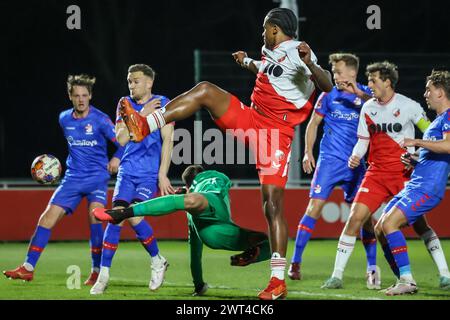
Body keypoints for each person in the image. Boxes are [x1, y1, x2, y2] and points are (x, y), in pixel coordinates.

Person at [125, 8, 333, 300]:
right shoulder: (269, 50)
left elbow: (327, 85)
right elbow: (265, 69)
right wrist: (246, 61)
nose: (262, 32)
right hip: (251, 119)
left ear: (275, 29)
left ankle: (277, 280)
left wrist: (310, 61)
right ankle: (145, 125)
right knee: (206, 90)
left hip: (274, 135)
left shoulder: (300, 54)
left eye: (265, 28)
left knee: (271, 205)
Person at [322, 61, 446, 289]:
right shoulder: (368, 108)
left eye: (373, 80)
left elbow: (430, 133)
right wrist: (355, 156)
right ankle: (337, 275)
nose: (369, 85)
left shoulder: (409, 106)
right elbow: (363, 141)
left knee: (419, 226)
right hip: (376, 174)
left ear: (387, 82)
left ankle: (444, 273)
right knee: (355, 218)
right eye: (368, 81)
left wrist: (416, 154)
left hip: (404, 174)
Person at [3, 74, 123, 284]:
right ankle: (27, 268)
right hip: (72, 179)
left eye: (85, 95)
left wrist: (116, 157)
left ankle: (96, 271)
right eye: (76, 95)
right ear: (70, 96)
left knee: (95, 221)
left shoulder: (101, 120)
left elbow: (123, 142)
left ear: (90, 95)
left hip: (96, 178)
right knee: (46, 218)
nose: (81, 99)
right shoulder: (64, 118)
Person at [93, 165, 272, 296]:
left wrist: (199, 284)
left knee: (189, 201)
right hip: (222, 223)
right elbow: (221, 182)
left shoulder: (191, 208)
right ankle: (252, 255)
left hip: (212, 232)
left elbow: (195, 254)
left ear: (188, 185)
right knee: (269, 242)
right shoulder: (212, 177)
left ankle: (123, 213)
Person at [288, 53, 382, 289]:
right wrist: (308, 152)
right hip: (329, 162)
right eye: (333, 72)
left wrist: (358, 94)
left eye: (338, 72)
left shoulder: (366, 95)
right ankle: (296, 262)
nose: (335, 76)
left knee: (364, 218)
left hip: (356, 165)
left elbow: (384, 104)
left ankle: (371, 268)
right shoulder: (328, 95)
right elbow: (313, 124)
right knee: (314, 207)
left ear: (352, 72)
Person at [90, 64, 175, 295]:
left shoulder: (162, 102)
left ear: (149, 82)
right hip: (127, 172)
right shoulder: (124, 104)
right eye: (129, 81)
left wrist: (162, 174)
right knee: (116, 219)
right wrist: (141, 115)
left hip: (147, 174)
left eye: (136, 81)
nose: (131, 85)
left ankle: (157, 261)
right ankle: (104, 275)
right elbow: (121, 138)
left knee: (133, 217)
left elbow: (168, 140)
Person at [377, 70, 450, 295]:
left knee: (390, 225)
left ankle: (407, 280)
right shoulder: (438, 121)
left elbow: (448, 147)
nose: (425, 93)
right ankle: (403, 278)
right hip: (416, 183)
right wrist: (415, 159)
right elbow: (436, 152)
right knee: (379, 228)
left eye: (429, 89)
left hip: (427, 187)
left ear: (440, 92)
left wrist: (417, 141)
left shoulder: (448, 117)